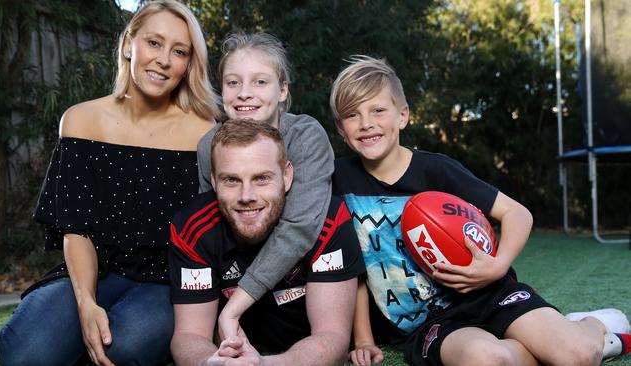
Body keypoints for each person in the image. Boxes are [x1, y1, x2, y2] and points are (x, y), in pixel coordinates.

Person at [329, 55, 631, 366]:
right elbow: (355, 270)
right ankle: (534, 345)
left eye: (378, 110)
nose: (366, 123)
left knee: (579, 354)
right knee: (486, 359)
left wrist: (498, 266)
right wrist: (363, 339)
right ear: (340, 128)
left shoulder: (437, 171)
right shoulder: (338, 178)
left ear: (403, 115)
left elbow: (518, 214)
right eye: (352, 115)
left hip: (490, 293)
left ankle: (593, 327)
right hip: (431, 322)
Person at [0, 1, 219, 365]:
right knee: (27, 353)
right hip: (91, 271)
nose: (163, 59)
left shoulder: (203, 133)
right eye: (154, 42)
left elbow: (208, 235)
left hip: (163, 282)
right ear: (129, 44)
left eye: (179, 51)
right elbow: (75, 229)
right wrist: (85, 303)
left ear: (188, 65)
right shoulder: (82, 120)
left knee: (122, 349)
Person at [169, 119, 365, 365]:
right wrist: (210, 362)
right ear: (214, 181)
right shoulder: (193, 226)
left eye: (261, 178)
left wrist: (265, 364)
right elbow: (189, 335)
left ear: (287, 175)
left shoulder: (328, 219)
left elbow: (332, 336)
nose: (247, 197)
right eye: (231, 180)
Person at [195, 32, 335, 339]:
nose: (245, 93)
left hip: (300, 287)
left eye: (260, 82)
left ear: (282, 89)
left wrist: (233, 310)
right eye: (233, 82)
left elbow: (299, 226)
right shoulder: (209, 146)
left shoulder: (305, 136)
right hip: (235, 280)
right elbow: (213, 230)